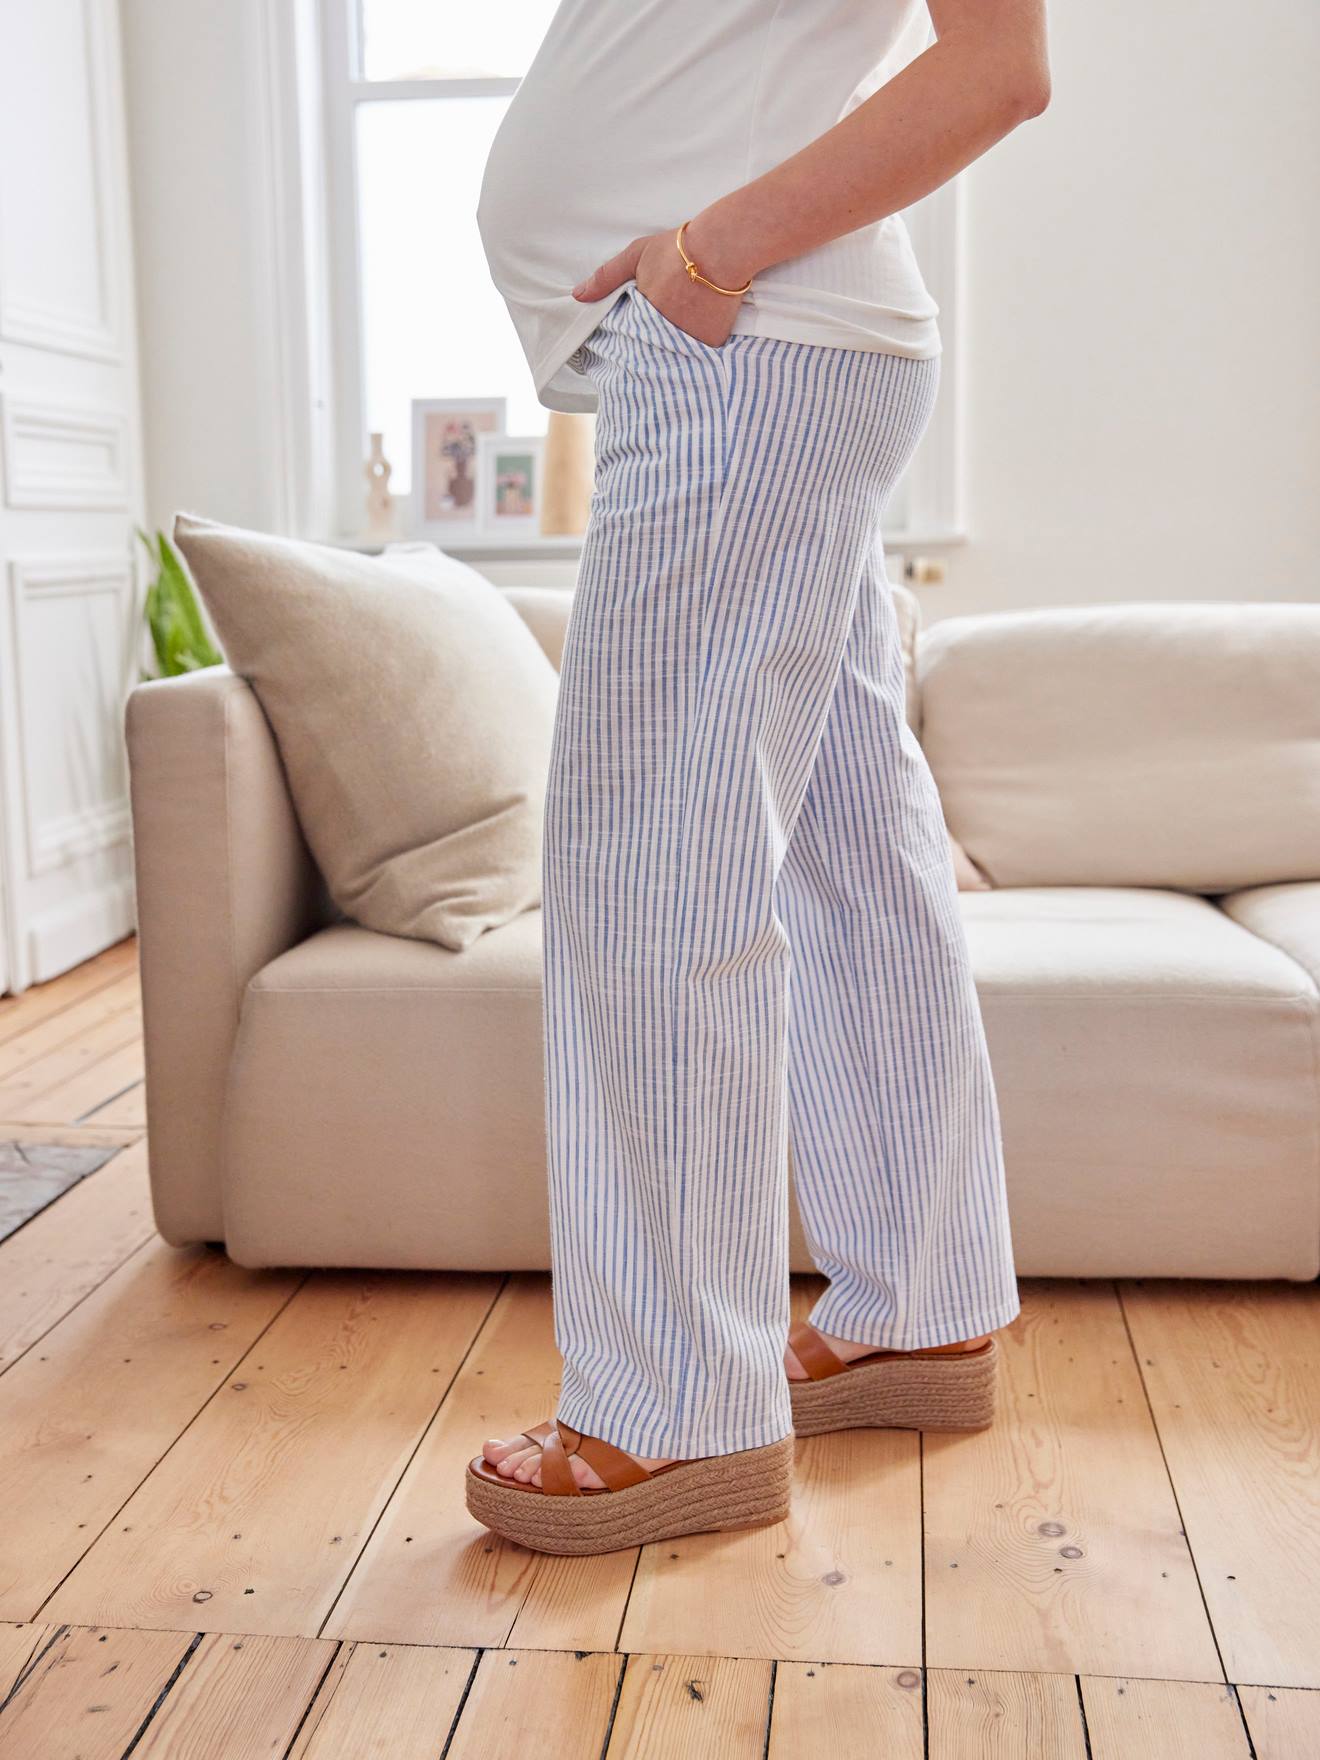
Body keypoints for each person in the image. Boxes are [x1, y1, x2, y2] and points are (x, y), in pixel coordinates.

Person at [465, 0, 1050, 1556]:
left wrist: (708, 258)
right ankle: (914, 1308)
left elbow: (1001, 68)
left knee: (649, 860)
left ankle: (668, 1413)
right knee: (850, 844)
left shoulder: (731, 298)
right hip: (766, 350)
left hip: (747, 345)